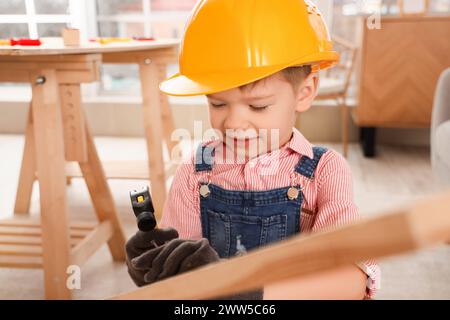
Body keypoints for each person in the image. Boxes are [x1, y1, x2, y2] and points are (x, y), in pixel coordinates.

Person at [125, 0, 380, 299]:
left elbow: (349, 281)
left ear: (305, 92)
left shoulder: (324, 172)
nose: (233, 121)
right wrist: (154, 264)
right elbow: (178, 278)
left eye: (258, 106)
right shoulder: (196, 172)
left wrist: (245, 292)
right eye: (217, 103)